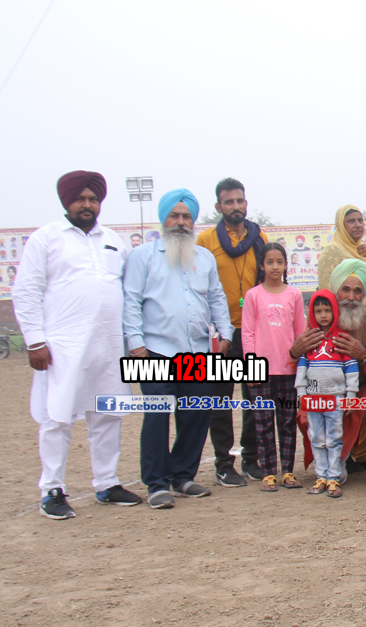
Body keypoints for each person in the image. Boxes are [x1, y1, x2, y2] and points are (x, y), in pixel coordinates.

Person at [14, 170, 143, 519]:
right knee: (57, 417)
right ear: (66, 201)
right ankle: (52, 489)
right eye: (80, 199)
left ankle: (107, 483)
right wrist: (34, 342)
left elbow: (127, 291)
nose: (87, 204)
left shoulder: (114, 240)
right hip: (63, 346)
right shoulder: (46, 238)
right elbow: (26, 291)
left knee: (108, 415)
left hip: (109, 345)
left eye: (93, 199)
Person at [123, 189, 234, 509]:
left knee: (196, 413)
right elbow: (131, 300)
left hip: (197, 352)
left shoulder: (204, 257)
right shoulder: (142, 256)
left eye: (187, 216)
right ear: (164, 219)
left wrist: (225, 335)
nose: (181, 222)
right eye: (175, 216)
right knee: (157, 416)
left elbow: (216, 298)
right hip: (153, 350)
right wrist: (136, 345)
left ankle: (183, 476)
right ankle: (157, 483)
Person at [195, 177, 269, 486]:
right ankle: (224, 464)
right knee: (220, 401)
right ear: (218, 206)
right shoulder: (205, 241)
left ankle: (251, 458)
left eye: (239, 200)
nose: (235, 206)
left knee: (254, 397)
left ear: (246, 203)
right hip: (220, 333)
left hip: (254, 331)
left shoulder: (259, 236)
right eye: (229, 202)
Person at [291, 260, 366, 475]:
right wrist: (294, 352)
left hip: (357, 395)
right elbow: (299, 364)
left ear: (364, 295)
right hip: (323, 395)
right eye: (345, 289)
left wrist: (364, 356)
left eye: (357, 291)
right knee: (336, 474)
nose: (351, 297)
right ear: (336, 291)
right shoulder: (318, 320)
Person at [242, 243, 306, 492]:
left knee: (287, 423)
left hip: (288, 371)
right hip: (261, 371)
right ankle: (268, 473)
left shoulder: (294, 295)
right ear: (262, 265)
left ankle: (287, 472)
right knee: (263, 423)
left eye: (279, 261)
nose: (275, 266)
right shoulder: (253, 295)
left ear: (286, 265)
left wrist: (300, 366)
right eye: (270, 262)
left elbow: (299, 333)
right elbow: (247, 333)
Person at [295, 290, 360, 498]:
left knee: (334, 438)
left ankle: (333, 477)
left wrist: (351, 396)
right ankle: (321, 476)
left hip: (335, 400)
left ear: (335, 312)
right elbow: (301, 370)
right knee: (316, 438)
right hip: (313, 401)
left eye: (327, 310)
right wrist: (301, 394)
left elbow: (351, 369)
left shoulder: (341, 339)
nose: (323, 315)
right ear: (311, 313)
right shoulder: (309, 340)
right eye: (318, 311)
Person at [317, 205, 366, 310]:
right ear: (340, 225)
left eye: (360, 220)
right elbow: (327, 290)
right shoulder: (332, 251)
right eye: (351, 221)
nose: (358, 225)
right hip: (343, 314)